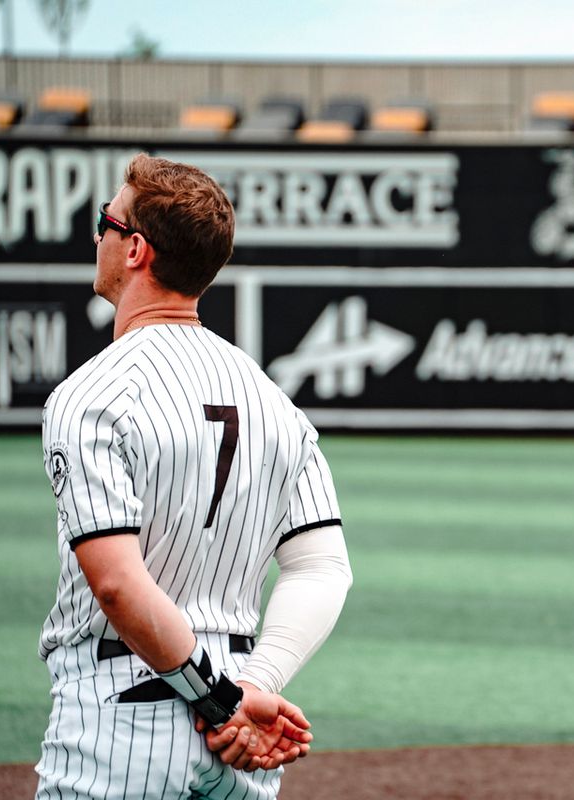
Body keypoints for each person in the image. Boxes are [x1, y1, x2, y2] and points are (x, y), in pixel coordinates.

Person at [36, 154, 353, 799]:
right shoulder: (273, 401)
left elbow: (119, 585)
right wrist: (253, 686)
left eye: (107, 222)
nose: (98, 234)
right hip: (241, 733)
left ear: (135, 251)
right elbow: (323, 568)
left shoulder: (90, 394)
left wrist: (219, 700)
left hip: (120, 719)